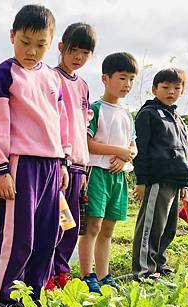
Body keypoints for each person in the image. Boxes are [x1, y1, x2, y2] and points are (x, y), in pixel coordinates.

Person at [0, 4, 70, 305]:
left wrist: (63, 162)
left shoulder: (53, 78)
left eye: (40, 45)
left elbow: (61, 122)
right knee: (20, 237)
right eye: (25, 42)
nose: (32, 51)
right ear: (12, 36)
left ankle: (34, 295)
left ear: (51, 44)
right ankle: (4, 296)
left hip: (52, 164)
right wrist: (0, 168)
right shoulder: (2, 75)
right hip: (20, 164)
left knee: (49, 236)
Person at [78, 52, 138, 293]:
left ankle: (104, 275)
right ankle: (87, 274)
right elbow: (88, 143)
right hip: (97, 174)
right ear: (105, 78)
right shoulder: (95, 109)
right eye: (122, 78)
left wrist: (125, 158)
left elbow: (133, 148)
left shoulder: (127, 115)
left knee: (108, 230)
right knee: (93, 226)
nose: (127, 85)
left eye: (131, 79)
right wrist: (119, 151)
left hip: (118, 177)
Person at [48, 22, 96, 290]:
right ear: (62, 47)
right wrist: (62, 160)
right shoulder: (51, 78)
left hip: (79, 165)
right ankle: (47, 272)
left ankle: (61, 272)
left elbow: (83, 125)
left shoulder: (84, 86)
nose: (78, 57)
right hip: (58, 163)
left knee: (71, 225)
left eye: (85, 53)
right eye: (74, 50)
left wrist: (85, 167)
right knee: (54, 222)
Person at [132, 68, 188, 280]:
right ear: (154, 89)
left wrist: (186, 181)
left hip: (176, 181)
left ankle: (158, 264)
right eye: (165, 87)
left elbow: (185, 150)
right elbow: (141, 149)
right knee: (151, 226)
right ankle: (143, 270)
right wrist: (141, 180)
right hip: (157, 179)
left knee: (169, 228)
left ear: (182, 91)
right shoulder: (148, 114)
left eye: (176, 88)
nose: (171, 92)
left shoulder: (178, 119)